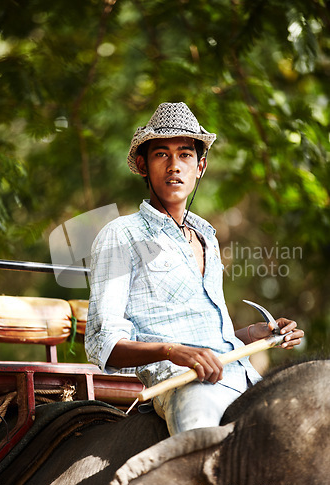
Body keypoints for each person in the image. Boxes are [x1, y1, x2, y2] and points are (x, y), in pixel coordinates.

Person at [85, 102, 304, 435]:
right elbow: (103, 343)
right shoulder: (120, 234)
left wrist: (254, 335)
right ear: (143, 165)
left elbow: (209, 340)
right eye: (162, 154)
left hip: (243, 378)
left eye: (185, 155)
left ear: (200, 166)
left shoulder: (206, 238)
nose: (175, 166)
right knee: (200, 458)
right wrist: (172, 352)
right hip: (183, 387)